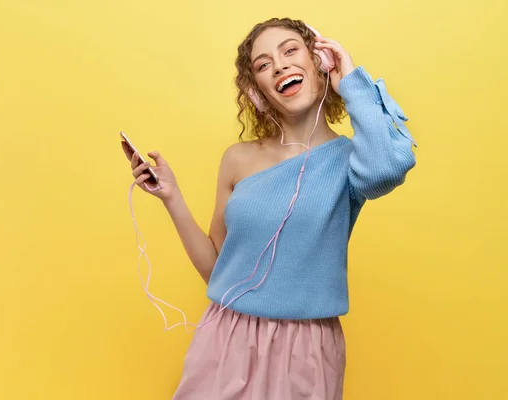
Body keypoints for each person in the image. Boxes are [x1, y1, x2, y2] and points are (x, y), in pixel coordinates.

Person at [121, 17, 416, 400]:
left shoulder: (352, 160)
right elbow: (216, 269)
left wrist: (351, 79)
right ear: (257, 90)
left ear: (319, 62)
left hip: (307, 347)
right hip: (226, 335)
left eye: (291, 50)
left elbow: (388, 169)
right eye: (263, 64)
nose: (279, 65)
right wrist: (171, 197)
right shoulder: (238, 159)